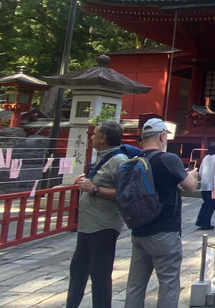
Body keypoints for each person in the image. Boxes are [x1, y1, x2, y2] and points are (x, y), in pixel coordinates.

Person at [124, 118, 198, 308]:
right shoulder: (168, 159)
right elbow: (190, 187)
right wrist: (193, 175)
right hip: (165, 230)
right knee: (168, 283)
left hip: (139, 229)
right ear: (163, 136)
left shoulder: (134, 161)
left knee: (135, 285)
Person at [66, 121, 128, 308]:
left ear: (103, 138)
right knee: (78, 270)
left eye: (95, 133)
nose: (91, 136)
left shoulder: (119, 161)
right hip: (88, 224)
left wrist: (93, 188)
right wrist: (86, 181)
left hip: (104, 225)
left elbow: (124, 194)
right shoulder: (101, 158)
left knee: (99, 274)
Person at [196, 142, 215, 231]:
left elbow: (200, 171)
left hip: (204, 184)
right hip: (212, 185)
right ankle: (205, 223)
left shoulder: (205, 157)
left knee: (206, 204)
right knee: (210, 205)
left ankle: (200, 221)